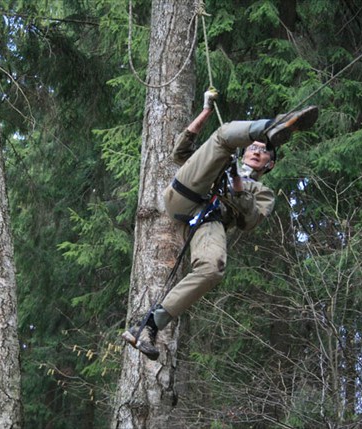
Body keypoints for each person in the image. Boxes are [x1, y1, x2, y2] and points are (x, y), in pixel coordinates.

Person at [123, 90, 318, 360]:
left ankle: (150, 326)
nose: (257, 151)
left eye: (264, 151)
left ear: (269, 165)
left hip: (208, 220)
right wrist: (205, 112)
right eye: (255, 146)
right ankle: (273, 125)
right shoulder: (225, 159)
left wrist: (239, 190)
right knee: (224, 137)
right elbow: (180, 153)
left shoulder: (262, 192)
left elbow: (249, 221)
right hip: (186, 195)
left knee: (212, 270)